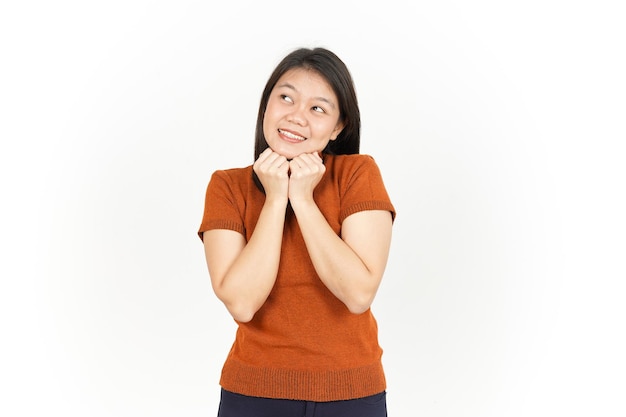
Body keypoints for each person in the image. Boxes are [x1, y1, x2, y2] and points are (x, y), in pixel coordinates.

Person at [198, 47, 396, 417]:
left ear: (338, 127)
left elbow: (357, 294)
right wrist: (275, 199)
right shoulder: (227, 187)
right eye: (285, 97)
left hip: (352, 393)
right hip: (253, 393)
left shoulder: (357, 175)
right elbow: (242, 303)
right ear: (265, 106)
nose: (296, 116)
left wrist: (302, 201)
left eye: (317, 108)